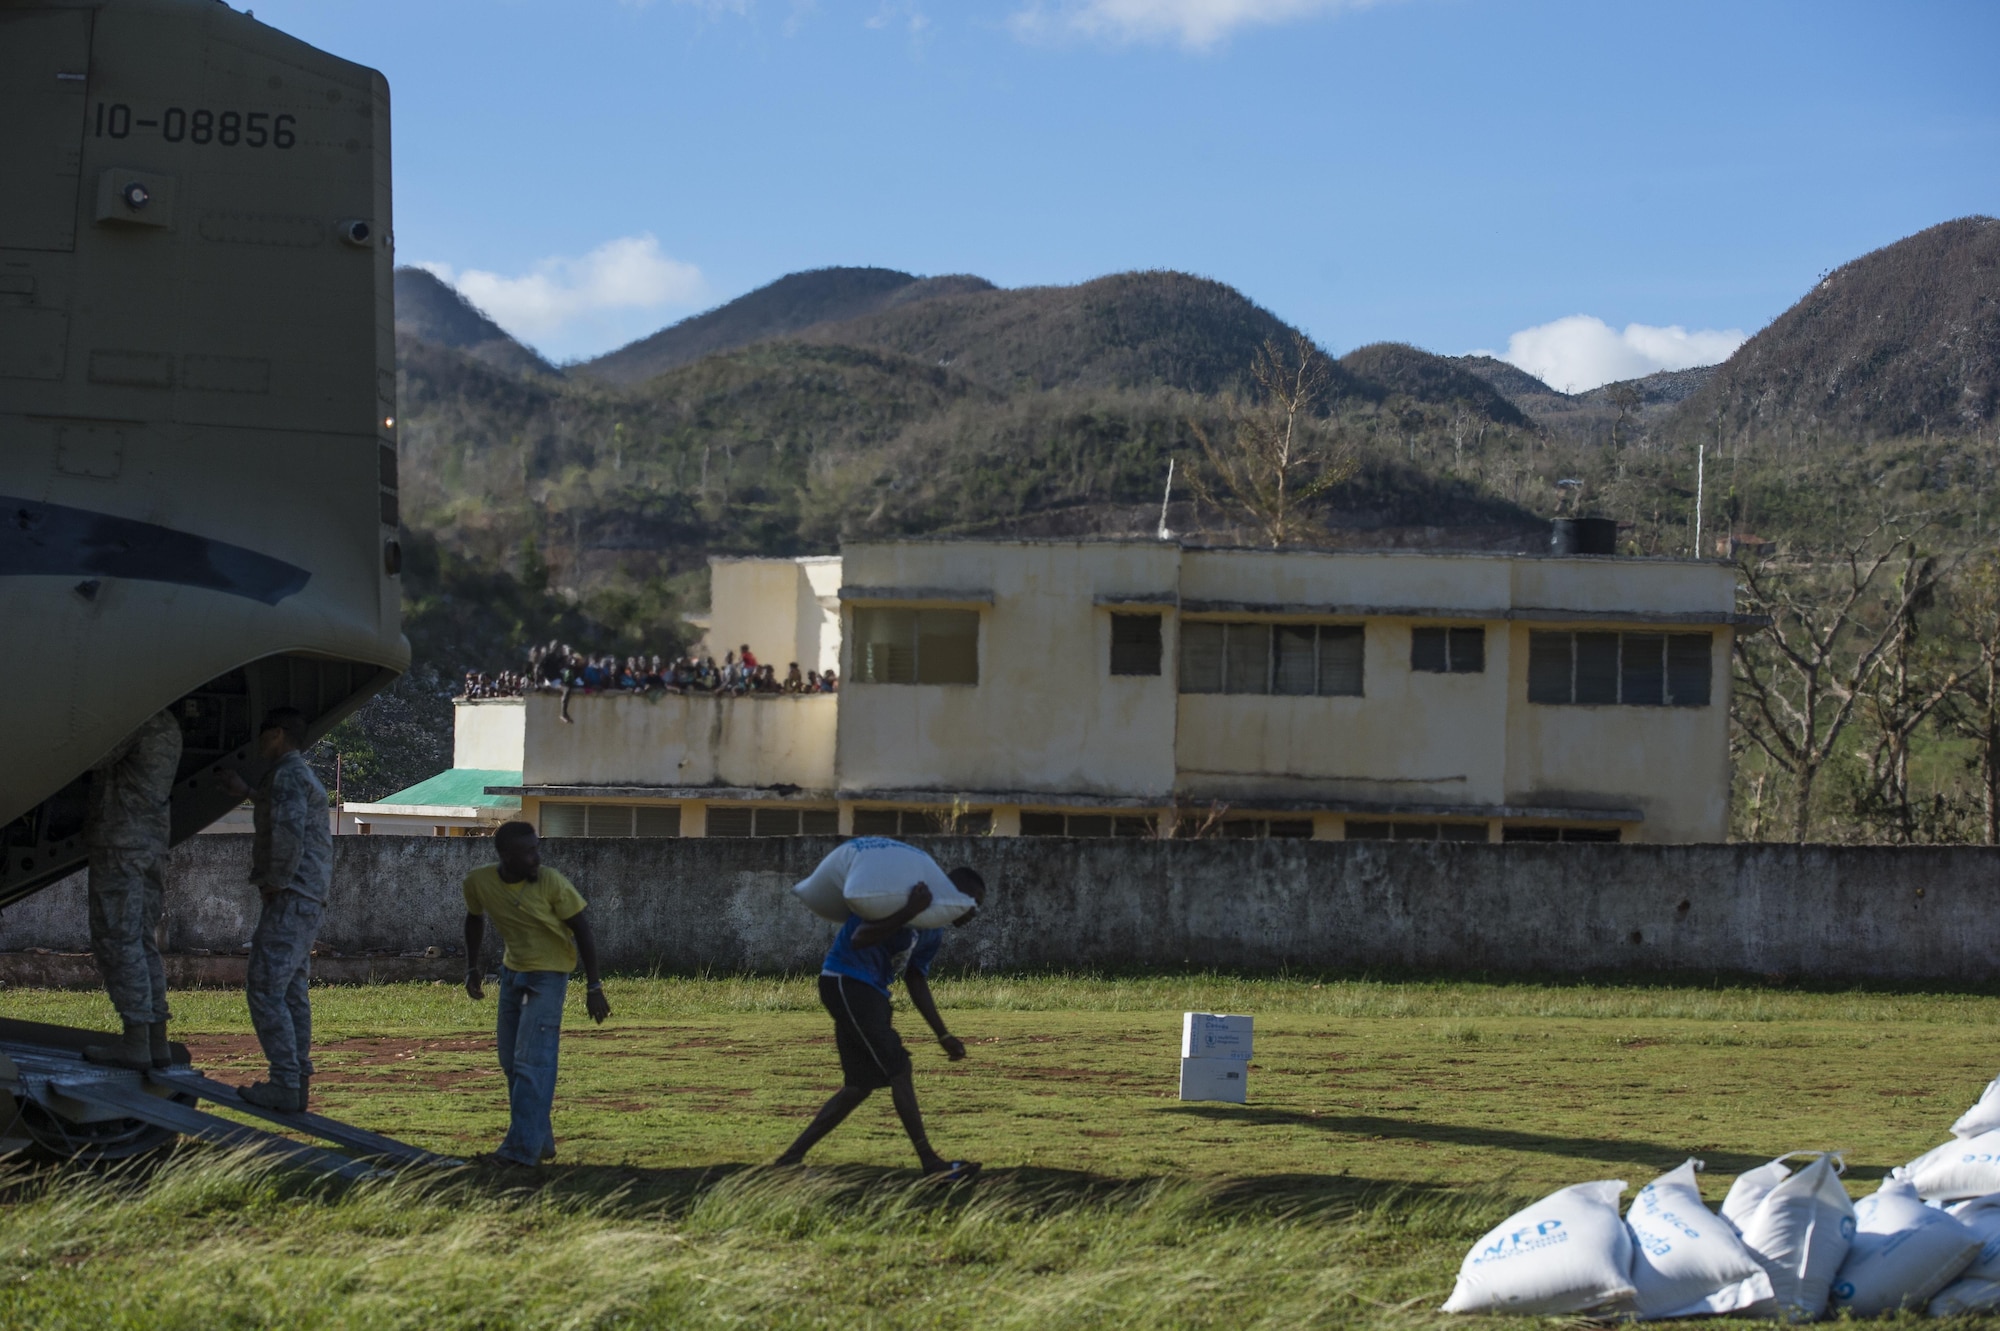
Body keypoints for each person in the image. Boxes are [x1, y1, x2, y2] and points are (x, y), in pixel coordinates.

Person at [776, 841, 985, 1181]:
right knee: (899, 1068)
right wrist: (907, 911)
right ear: (952, 891)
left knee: (859, 1085)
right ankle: (931, 1163)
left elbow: (916, 980)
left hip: (870, 991)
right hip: (846, 981)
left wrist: (942, 1033)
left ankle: (790, 1158)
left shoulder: (933, 932)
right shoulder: (894, 896)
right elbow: (860, 938)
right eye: (972, 900)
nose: (974, 910)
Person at [462, 822, 610, 1168]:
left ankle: (520, 1152)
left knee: (533, 1062)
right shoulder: (479, 882)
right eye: (528, 851)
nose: (536, 857)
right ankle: (539, 1140)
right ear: (505, 856)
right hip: (512, 973)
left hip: (549, 976)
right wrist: (472, 967)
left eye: (536, 848)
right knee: (511, 1063)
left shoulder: (551, 882)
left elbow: (583, 930)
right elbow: (473, 919)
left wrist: (594, 986)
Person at [215, 707, 333, 1111]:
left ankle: (284, 1082)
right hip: (307, 896)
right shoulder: (295, 775)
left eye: (264, 735)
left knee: (265, 989)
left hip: (289, 895)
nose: (260, 743)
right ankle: (296, 1083)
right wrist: (246, 791)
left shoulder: (286, 775)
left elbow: (287, 833)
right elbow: (282, 809)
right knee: (292, 991)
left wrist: (273, 882)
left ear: (279, 734)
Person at [81, 708, 184, 1069]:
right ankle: (156, 1040)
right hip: (150, 843)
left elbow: (90, 754)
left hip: (120, 841)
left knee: (117, 937)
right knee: (141, 939)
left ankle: (135, 1040)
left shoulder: (140, 718)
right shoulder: (168, 724)